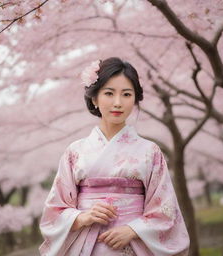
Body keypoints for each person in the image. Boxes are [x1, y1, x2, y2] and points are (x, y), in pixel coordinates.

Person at [39, 57, 190, 255]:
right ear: (94, 98)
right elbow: (54, 210)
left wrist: (133, 229)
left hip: (132, 245)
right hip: (86, 246)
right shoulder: (74, 151)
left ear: (135, 99)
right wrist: (82, 217)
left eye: (126, 94)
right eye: (109, 93)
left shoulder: (150, 151)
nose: (117, 103)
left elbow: (165, 209)